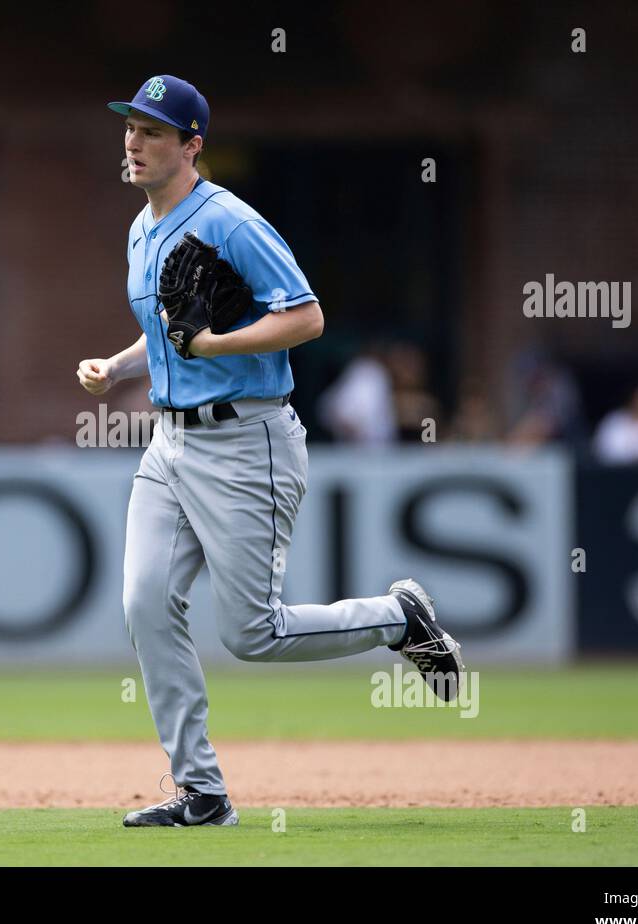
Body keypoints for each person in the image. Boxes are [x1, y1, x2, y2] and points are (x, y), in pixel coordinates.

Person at [76, 75, 464, 828]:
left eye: (154, 131)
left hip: (245, 437)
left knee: (253, 633)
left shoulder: (230, 222)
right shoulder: (140, 225)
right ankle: (202, 791)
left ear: (192, 146)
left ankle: (399, 619)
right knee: (144, 604)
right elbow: (170, 335)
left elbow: (308, 317)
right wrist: (119, 366)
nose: (134, 140)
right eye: (130, 126)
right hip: (170, 441)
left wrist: (218, 341)